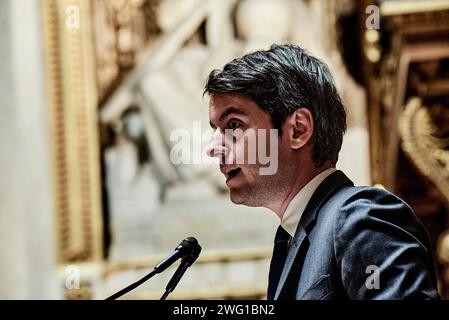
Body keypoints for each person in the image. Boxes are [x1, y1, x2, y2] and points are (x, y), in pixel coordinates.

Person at [204, 44, 440, 300]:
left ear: (298, 129)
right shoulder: (291, 238)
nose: (213, 148)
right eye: (215, 129)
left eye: (234, 125)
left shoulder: (360, 218)